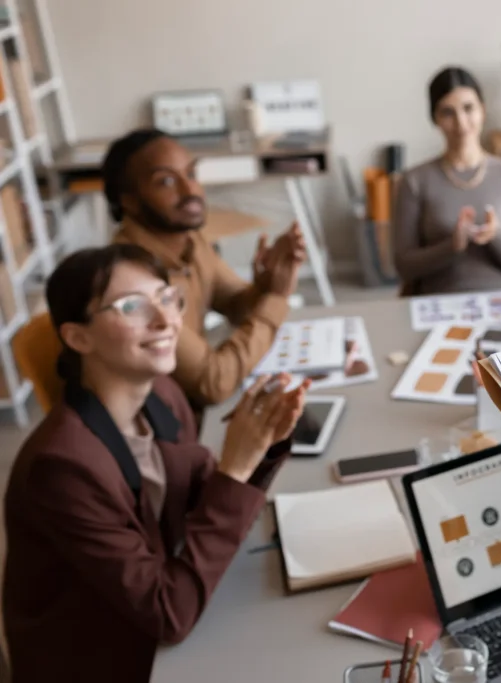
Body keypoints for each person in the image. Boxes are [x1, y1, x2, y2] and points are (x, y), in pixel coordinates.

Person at [3, 245, 309, 683]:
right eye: (133, 307)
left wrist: (260, 440)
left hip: (149, 621)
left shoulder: (161, 394)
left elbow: (199, 490)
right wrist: (236, 468)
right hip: (102, 660)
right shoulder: (60, 468)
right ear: (78, 337)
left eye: (167, 297)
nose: (167, 320)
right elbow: (169, 614)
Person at [103, 129, 308, 409]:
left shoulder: (189, 240)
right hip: (167, 429)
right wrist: (276, 298)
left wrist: (268, 284)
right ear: (129, 201)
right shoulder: (132, 279)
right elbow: (214, 382)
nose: (190, 191)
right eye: (165, 181)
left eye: (191, 174)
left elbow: (237, 305)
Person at [393, 66, 501, 295]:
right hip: (439, 303)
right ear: (435, 119)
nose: (461, 123)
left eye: (468, 108)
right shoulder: (414, 181)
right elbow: (403, 267)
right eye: (448, 112)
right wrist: (453, 246)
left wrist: (496, 236)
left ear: (483, 110)